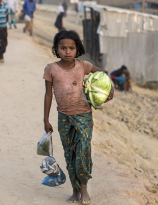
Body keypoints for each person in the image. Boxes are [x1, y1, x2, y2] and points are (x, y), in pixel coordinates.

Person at [43, 30, 113, 205]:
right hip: (64, 117)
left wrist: (108, 89)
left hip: (84, 115)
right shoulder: (51, 69)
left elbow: (102, 74)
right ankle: (74, 191)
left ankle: (84, 188)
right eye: (63, 48)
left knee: (83, 151)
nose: (67, 51)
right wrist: (46, 119)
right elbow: (48, 95)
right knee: (70, 153)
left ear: (77, 49)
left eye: (72, 48)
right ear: (56, 49)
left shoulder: (83, 66)